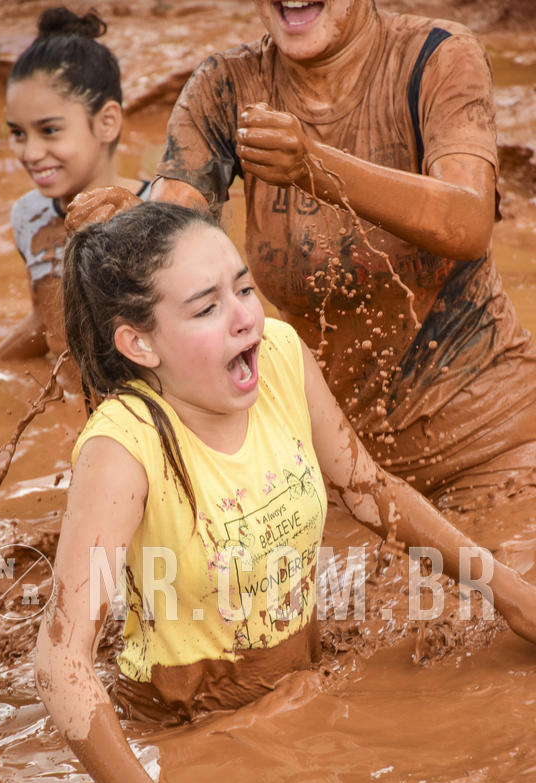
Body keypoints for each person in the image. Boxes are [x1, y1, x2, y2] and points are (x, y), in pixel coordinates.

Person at [35, 194, 536, 783]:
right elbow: (59, 656)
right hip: (189, 728)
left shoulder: (277, 356)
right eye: (207, 307)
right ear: (139, 342)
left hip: (305, 680)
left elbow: (367, 490)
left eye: (243, 286)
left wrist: (512, 595)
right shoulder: (124, 446)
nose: (244, 315)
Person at [150, 0, 536, 509]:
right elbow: (166, 240)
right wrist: (124, 230)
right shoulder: (225, 87)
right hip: (329, 467)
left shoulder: (439, 56)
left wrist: (313, 165)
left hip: (487, 446)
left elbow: (466, 223)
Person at [0, 6, 149, 369]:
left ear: (106, 122)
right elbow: (47, 324)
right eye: (17, 133)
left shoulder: (157, 213)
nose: (29, 152)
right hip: (68, 410)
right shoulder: (29, 215)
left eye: (50, 130)